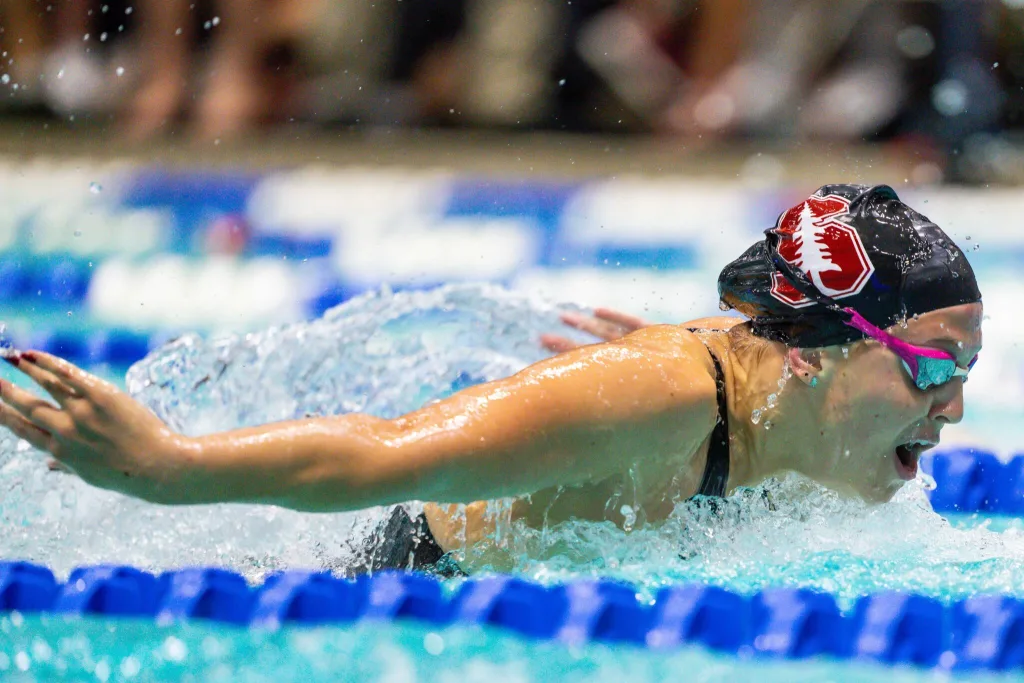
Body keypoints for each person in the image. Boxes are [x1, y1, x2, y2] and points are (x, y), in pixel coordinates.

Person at [0, 185, 982, 575]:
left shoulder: (782, 398)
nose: (956, 407)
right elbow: (381, 450)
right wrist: (164, 465)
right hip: (400, 586)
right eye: (932, 368)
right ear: (813, 352)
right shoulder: (662, 397)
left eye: (964, 370)